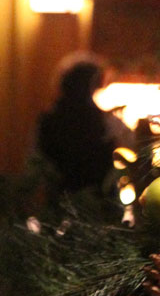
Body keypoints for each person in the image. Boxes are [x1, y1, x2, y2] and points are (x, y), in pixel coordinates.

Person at [36, 53, 114, 193]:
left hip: (60, 199)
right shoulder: (103, 121)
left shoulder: (48, 119)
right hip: (97, 201)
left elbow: (36, 164)